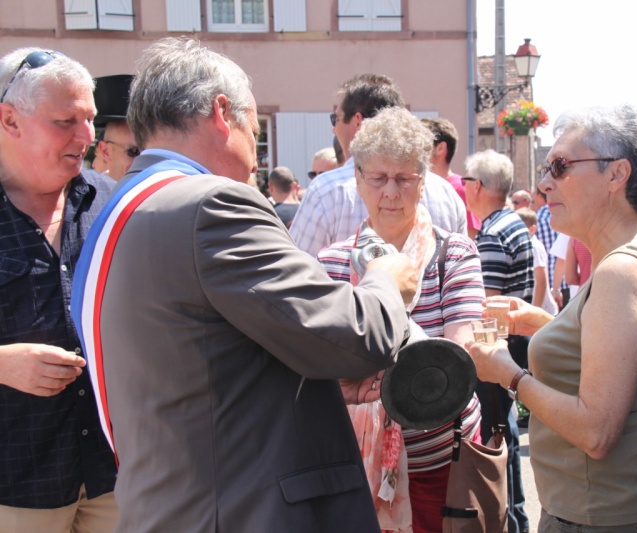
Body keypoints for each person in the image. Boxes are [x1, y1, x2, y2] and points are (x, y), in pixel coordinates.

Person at [71, 37, 420, 533]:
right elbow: (355, 338)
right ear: (221, 113)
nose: (255, 160)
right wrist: (386, 282)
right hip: (242, 511)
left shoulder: (120, 210)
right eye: (254, 131)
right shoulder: (209, 205)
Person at [468, 104, 637, 532]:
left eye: (559, 167)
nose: (543, 183)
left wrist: (509, 374)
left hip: (610, 515)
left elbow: (596, 431)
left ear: (617, 174)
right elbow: (629, 347)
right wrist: (546, 323)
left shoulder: (622, 270)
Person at [318, 106, 484, 533]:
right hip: (355, 462)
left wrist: (385, 313)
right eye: (377, 178)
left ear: (422, 184)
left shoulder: (455, 255)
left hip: (442, 464)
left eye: (404, 179)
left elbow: (458, 358)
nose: (390, 192)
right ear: (357, 181)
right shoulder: (332, 263)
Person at [0, 48, 118, 531]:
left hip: (115, 476)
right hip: (17, 486)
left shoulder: (111, 202)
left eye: (89, 118)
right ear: (9, 120)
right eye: (66, 120)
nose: (87, 136)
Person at [290, 74, 466, 256]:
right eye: (378, 179)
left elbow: (297, 269)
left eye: (336, 119)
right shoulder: (447, 193)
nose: (333, 129)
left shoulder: (326, 190)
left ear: (358, 121)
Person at [463, 149, 533, 533]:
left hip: (497, 352)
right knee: (504, 434)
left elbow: (483, 307)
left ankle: (511, 520)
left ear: (476, 186)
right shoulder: (512, 224)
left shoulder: (492, 232)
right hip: (511, 347)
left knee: (497, 441)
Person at [422, 117, 481, 239]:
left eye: (423, 144)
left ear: (440, 148)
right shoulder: (417, 183)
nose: (417, 149)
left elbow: (470, 237)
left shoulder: (461, 188)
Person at [91, 74, 139, 181]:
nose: (144, 160)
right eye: (134, 151)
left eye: (150, 151)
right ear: (106, 151)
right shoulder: (92, 196)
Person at [515, 207, 558, 315]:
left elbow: (541, 282)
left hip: (543, 310)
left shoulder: (534, 246)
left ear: (532, 229)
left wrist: (534, 311)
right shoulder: (526, 245)